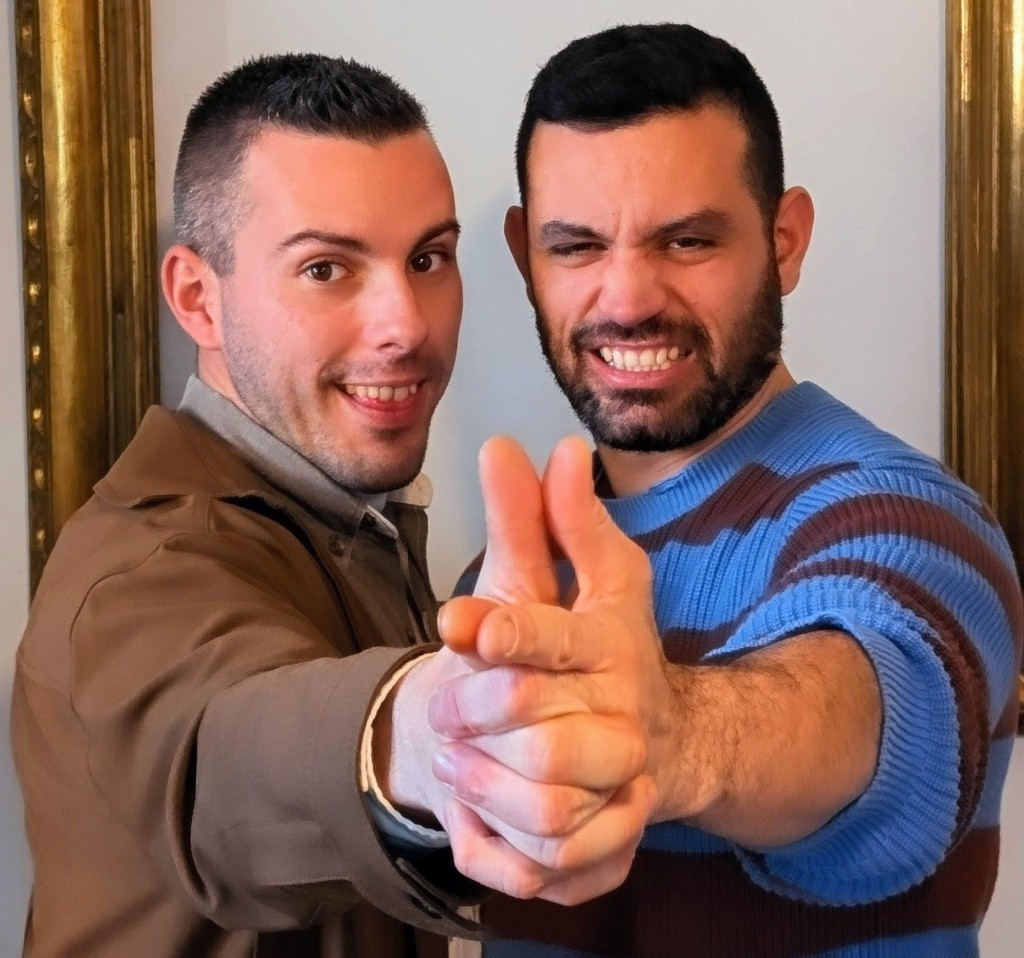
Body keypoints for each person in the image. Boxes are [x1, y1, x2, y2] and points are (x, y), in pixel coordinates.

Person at [10, 53, 652, 958]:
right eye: (326, 269)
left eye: (428, 258)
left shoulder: (353, 516)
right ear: (198, 298)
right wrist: (442, 731)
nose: (406, 324)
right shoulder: (138, 577)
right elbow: (228, 752)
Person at [441, 22, 1024, 958]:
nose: (627, 299)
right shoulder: (506, 580)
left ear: (784, 241)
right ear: (524, 257)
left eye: (687, 240)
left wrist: (670, 735)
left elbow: (876, 705)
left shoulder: (909, 518)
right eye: (577, 246)